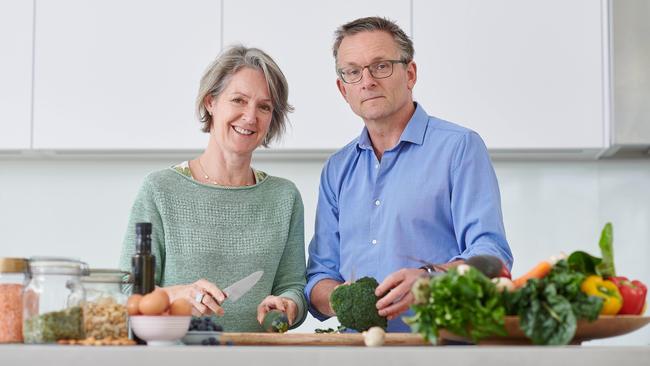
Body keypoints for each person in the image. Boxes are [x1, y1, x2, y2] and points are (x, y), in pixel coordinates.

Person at [305, 17, 513, 332]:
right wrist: (341, 299)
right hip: (356, 351)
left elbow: (492, 257)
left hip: (442, 345)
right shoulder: (337, 169)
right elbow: (319, 275)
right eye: (353, 71)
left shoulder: (458, 148)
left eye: (381, 66)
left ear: (410, 73)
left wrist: (431, 282)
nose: (367, 81)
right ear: (342, 88)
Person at [119, 45, 307, 332]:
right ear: (211, 102)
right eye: (238, 100)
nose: (250, 116)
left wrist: (287, 304)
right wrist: (177, 295)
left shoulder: (284, 197)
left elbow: (293, 286)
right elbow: (127, 293)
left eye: (264, 106)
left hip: (259, 356)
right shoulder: (160, 190)